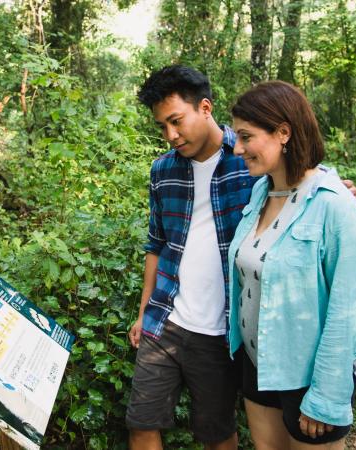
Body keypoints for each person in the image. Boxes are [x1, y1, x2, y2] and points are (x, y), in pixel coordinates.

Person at [227, 80, 356, 449]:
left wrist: (325, 396)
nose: (237, 148)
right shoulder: (261, 192)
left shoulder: (335, 206)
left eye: (246, 137)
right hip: (259, 364)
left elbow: (347, 310)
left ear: (283, 133)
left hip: (310, 373)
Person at [126, 65, 255, 450]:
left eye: (176, 121)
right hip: (165, 321)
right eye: (162, 126)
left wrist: (334, 185)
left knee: (216, 433)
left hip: (219, 331)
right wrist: (143, 310)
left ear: (205, 107)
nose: (171, 135)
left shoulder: (248, 160)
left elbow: (302, 181)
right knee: (141, 423)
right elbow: (156, 245)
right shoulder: (163, 170)